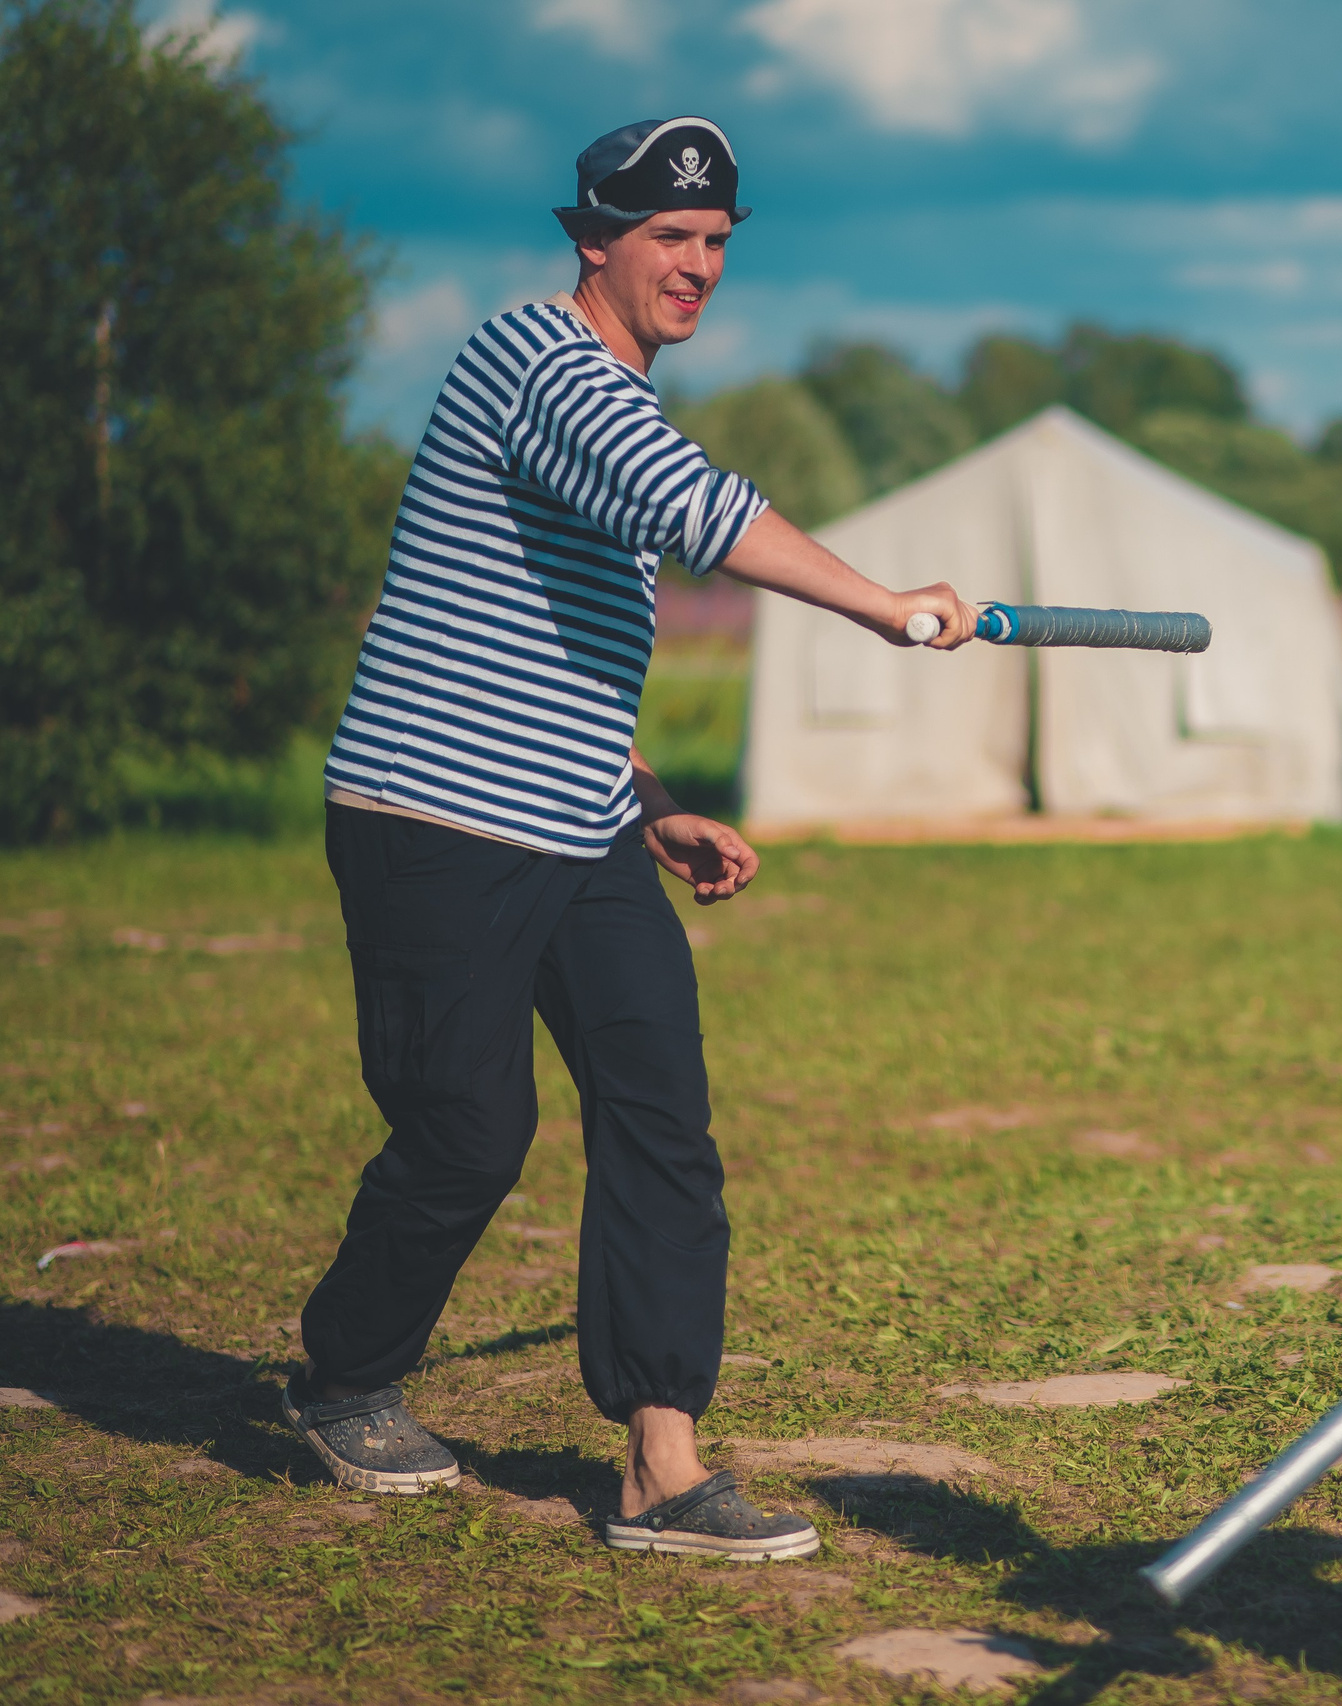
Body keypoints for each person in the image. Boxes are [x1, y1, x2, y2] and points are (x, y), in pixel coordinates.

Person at [284, 116, 979, 1560]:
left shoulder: (615, 399)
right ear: (592, 236)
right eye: (671, 238)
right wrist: (886, 604)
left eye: (719, 242)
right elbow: (695, 510)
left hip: (579, 822)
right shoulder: (534, 363)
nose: (699, 266)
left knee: (662, 1106)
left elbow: (561, 656)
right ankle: (346, 1368)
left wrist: (650, 802)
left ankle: (664, 1464)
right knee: (472, 1132)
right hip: (435, 813)